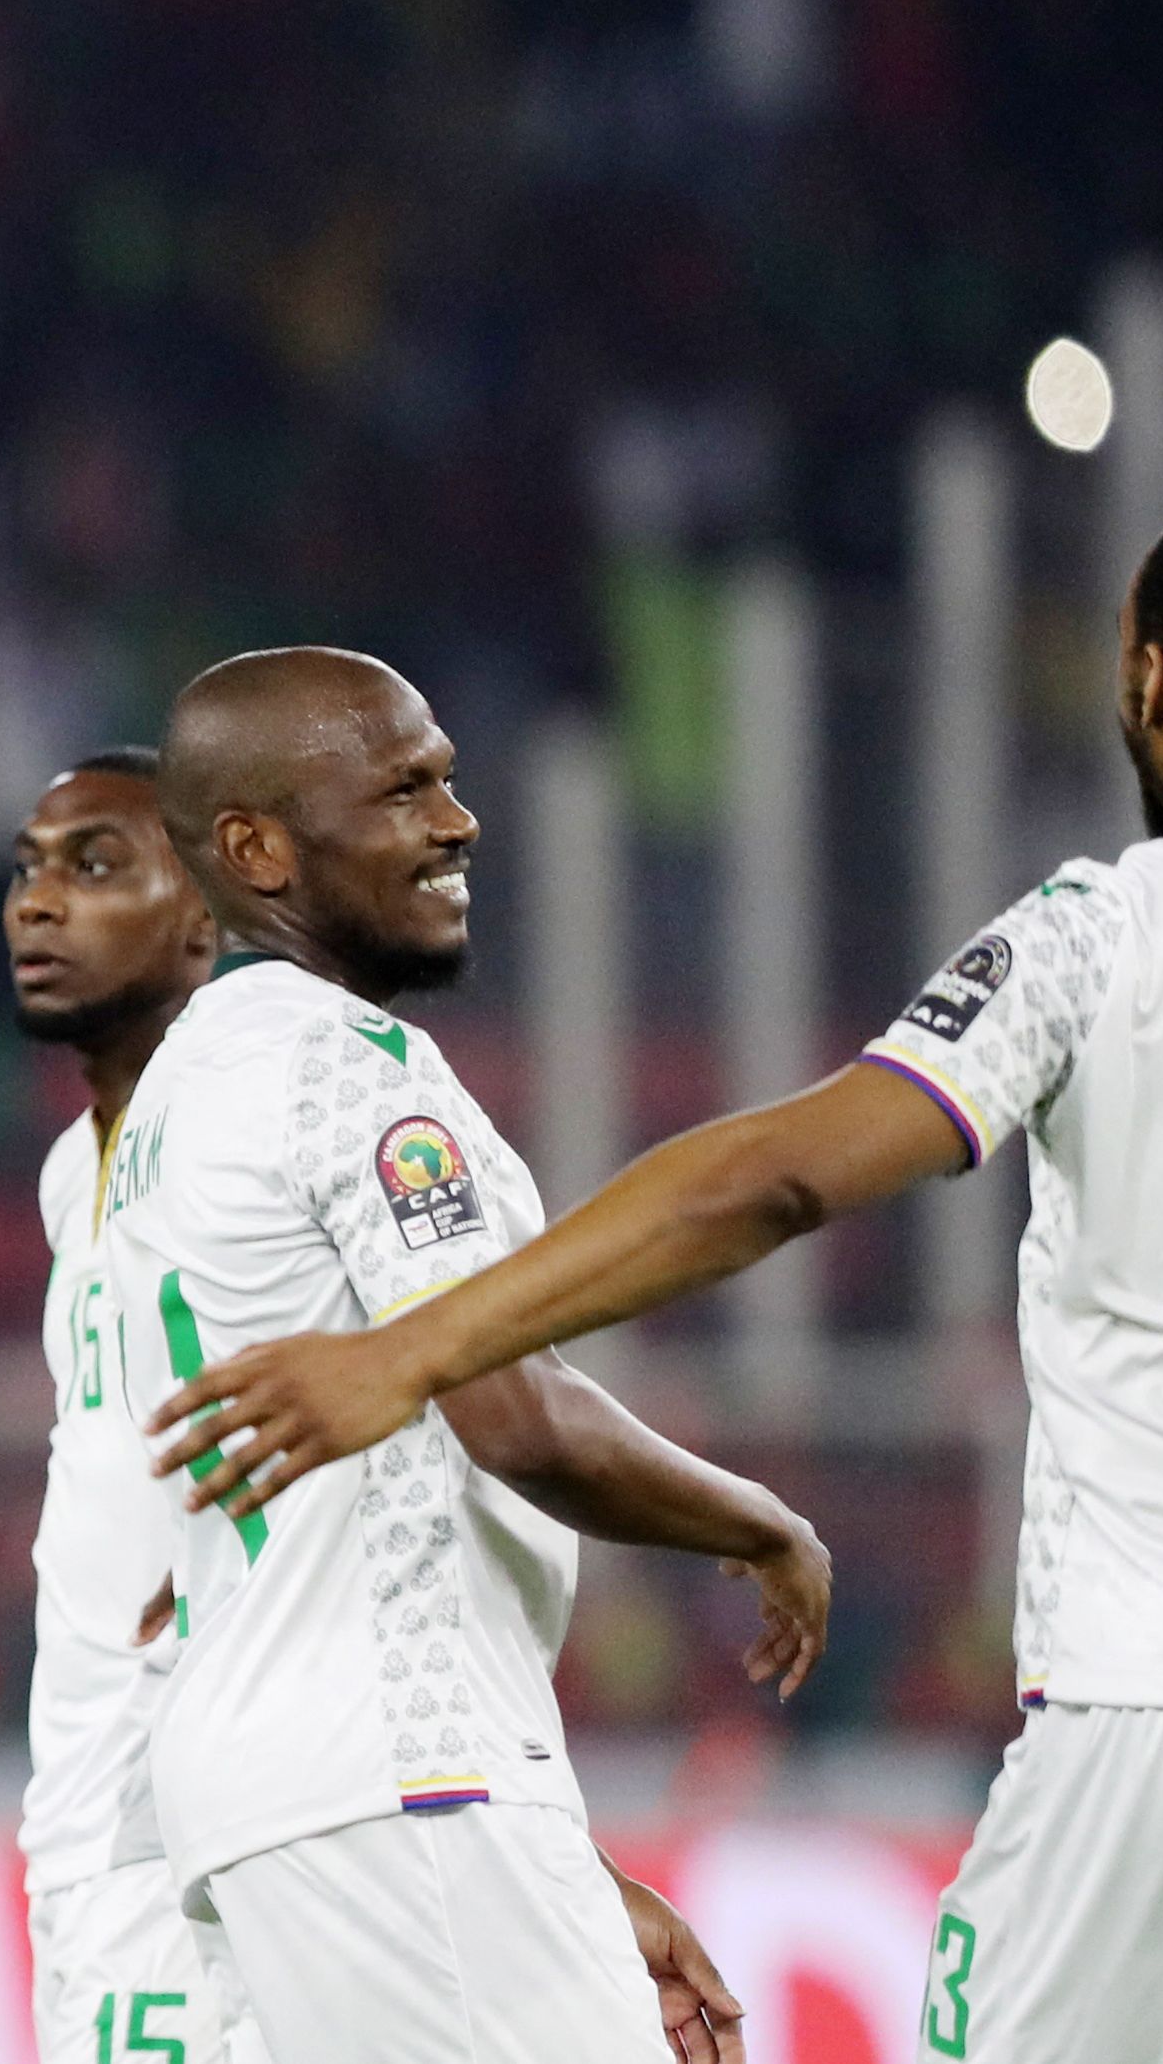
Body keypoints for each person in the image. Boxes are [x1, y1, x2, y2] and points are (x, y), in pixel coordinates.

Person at [150, 521, 1163, 2062]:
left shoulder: (1100, 937)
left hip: (1149, 1698)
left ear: (1147, 671)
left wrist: (407, 1352)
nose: (457, 820)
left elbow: (771, 1178)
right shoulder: (312, 1072)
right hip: (374, 1785)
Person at [98, 648, 822, 2064]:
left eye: (447, 776)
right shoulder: (343, 1072)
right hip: (396, 1785)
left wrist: (552, 1856)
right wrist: (765, 1524)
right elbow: (508, 1409)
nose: (456, 819)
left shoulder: (178, 1097)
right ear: (255, 846)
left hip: (300, 1800)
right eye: (404, 787)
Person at [1, 751, 260, 2064]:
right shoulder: (71, 1171)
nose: (37, 901)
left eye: (93, 864)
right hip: (81, 1817)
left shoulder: (253, 1145)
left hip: (205, 1832)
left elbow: (436, 1412)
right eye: (28, 865)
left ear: (207, 915)